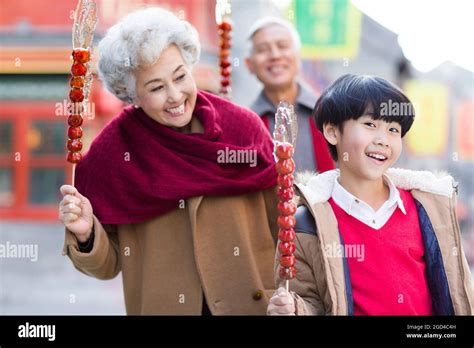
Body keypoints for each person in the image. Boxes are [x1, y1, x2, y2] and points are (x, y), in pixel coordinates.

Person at [59, 7, 280, 315]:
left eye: (180, 77)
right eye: (156, 87)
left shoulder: (243, 130)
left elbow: (284, 229)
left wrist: (292, 297)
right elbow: (107, 266)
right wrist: (86, 234)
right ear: (131, 94)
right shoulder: (110, 156)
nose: (175, 95)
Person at [267, 74, 474, 315]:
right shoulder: (305, 224)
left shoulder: (427, 211)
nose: (383, 140)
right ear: (333, 132)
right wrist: (294, 309)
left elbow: (456, 293)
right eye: (370, 125)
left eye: (393, 129)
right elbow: (310, 301)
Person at [245, 17, 334, 173]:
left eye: (282, 46)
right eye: (263, 49)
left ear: (298, 56)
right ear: (249, 65)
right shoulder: (245, 125)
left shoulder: (332, 113)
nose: (275, 55)